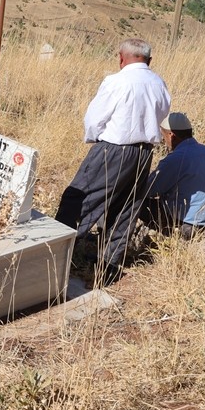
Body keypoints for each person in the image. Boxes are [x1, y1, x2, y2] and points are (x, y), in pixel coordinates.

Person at [56, 38, 171, 283]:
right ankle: (108, 265)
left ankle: (53, 257)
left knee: (79, 199)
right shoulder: (159, 83)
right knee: (126, 207)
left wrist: (97, 141)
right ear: (149, 60)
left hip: (114, 149)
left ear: (121, 58)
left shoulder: (116, 81)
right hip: (144, 153)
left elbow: (94, 119)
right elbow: (162, 113)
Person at [138, 112, 205, 238]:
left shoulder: (175, 159)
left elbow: (148, 189)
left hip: (189, 224)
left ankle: (162, 237)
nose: (163, 140)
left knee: (134, 200)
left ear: (171, 135)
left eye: (163, 135)